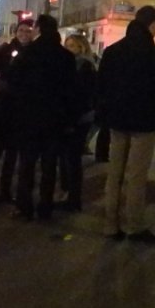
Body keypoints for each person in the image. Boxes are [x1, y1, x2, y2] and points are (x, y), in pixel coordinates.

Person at [96, 5, 155, 243]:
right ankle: (134, 225)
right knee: (136, 176)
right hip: (144, 123)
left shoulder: (114, 51)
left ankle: (110, 224)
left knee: (115, 172)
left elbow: (102, 86)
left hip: (117, 121)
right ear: (153, 25)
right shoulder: (153, 54)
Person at [5, 15, 78, 222]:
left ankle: (24, 206)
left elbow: (13, 82)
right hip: (55, 119)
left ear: (38, 29)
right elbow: (71, 91)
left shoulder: (28, 54)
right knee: (49, 165)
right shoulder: (65, 57)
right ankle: (45, 207)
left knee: (27, 164)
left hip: (29, 117)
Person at [0, 18, 33, 204]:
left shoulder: (32, 53)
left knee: (11, 153)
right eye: (21, 30)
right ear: (16, 32)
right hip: (4, 108)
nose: (24, 34)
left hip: (20, 109)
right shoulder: (6, 51)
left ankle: (5, 189)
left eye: (27, 31)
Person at [59, 33, 97, 212]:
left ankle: (73, 197)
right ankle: (68, 193)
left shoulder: (84, 66)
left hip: (79, 118)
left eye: (72, 45)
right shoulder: (70, 65)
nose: (69, 49)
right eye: (67, 45)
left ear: (81, 47)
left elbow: (82, 95)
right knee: (67, 157)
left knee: (72, 158)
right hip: (74, 116)